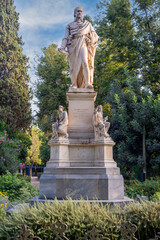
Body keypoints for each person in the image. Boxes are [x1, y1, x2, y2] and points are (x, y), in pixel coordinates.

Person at [58, 7, 98, 89]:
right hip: (72, 46)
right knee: (73, 66)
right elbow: (65, 37)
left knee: (85, 61)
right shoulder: (69, 25)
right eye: (78, 11)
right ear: (74, 14)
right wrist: (62, 47)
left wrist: (90, 40)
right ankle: (74, 84)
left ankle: (87, 83)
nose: (79, 13)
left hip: (83, 43)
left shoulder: (87, 25)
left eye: (81, 11)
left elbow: (95, 36)